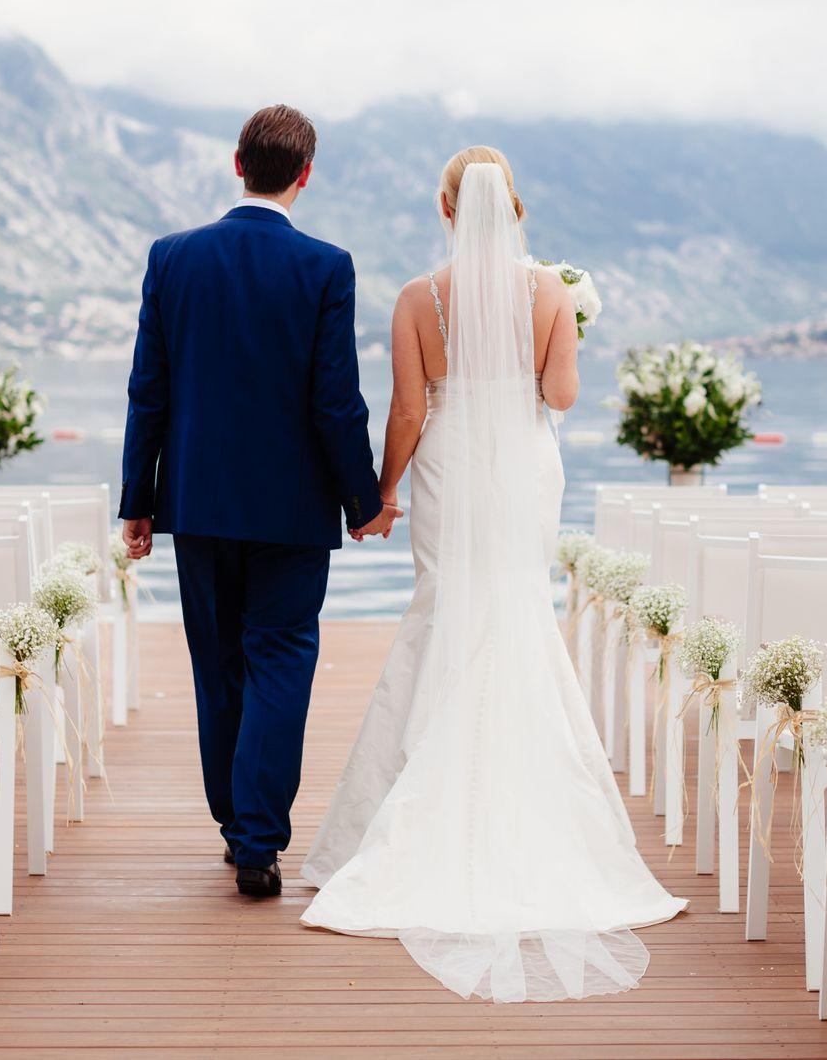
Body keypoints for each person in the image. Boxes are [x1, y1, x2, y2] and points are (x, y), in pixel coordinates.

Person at [299, 147, 685, 1000]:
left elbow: (405, 407)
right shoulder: (548, 291)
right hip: (520, 471)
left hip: (448, 465)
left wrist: (384, 488)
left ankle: (412, 813)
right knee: (518, 611)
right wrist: (567, 325)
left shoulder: (415, 298)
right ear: (514, 206)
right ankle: (531, 808)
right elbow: (561, 397)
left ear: (446, 208)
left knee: (443, 609)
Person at [119, 103, 396, 899]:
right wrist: (364, 498)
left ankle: (235, 822)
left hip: (199, 502)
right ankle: (257, 840)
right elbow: (335, 402)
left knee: (218, 665)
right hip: (292, 508)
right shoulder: (326, 266)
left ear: (236, 163)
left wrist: (137, 500)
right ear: (304, 176)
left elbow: (149, 392)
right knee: (280, 657)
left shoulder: (171, 258)